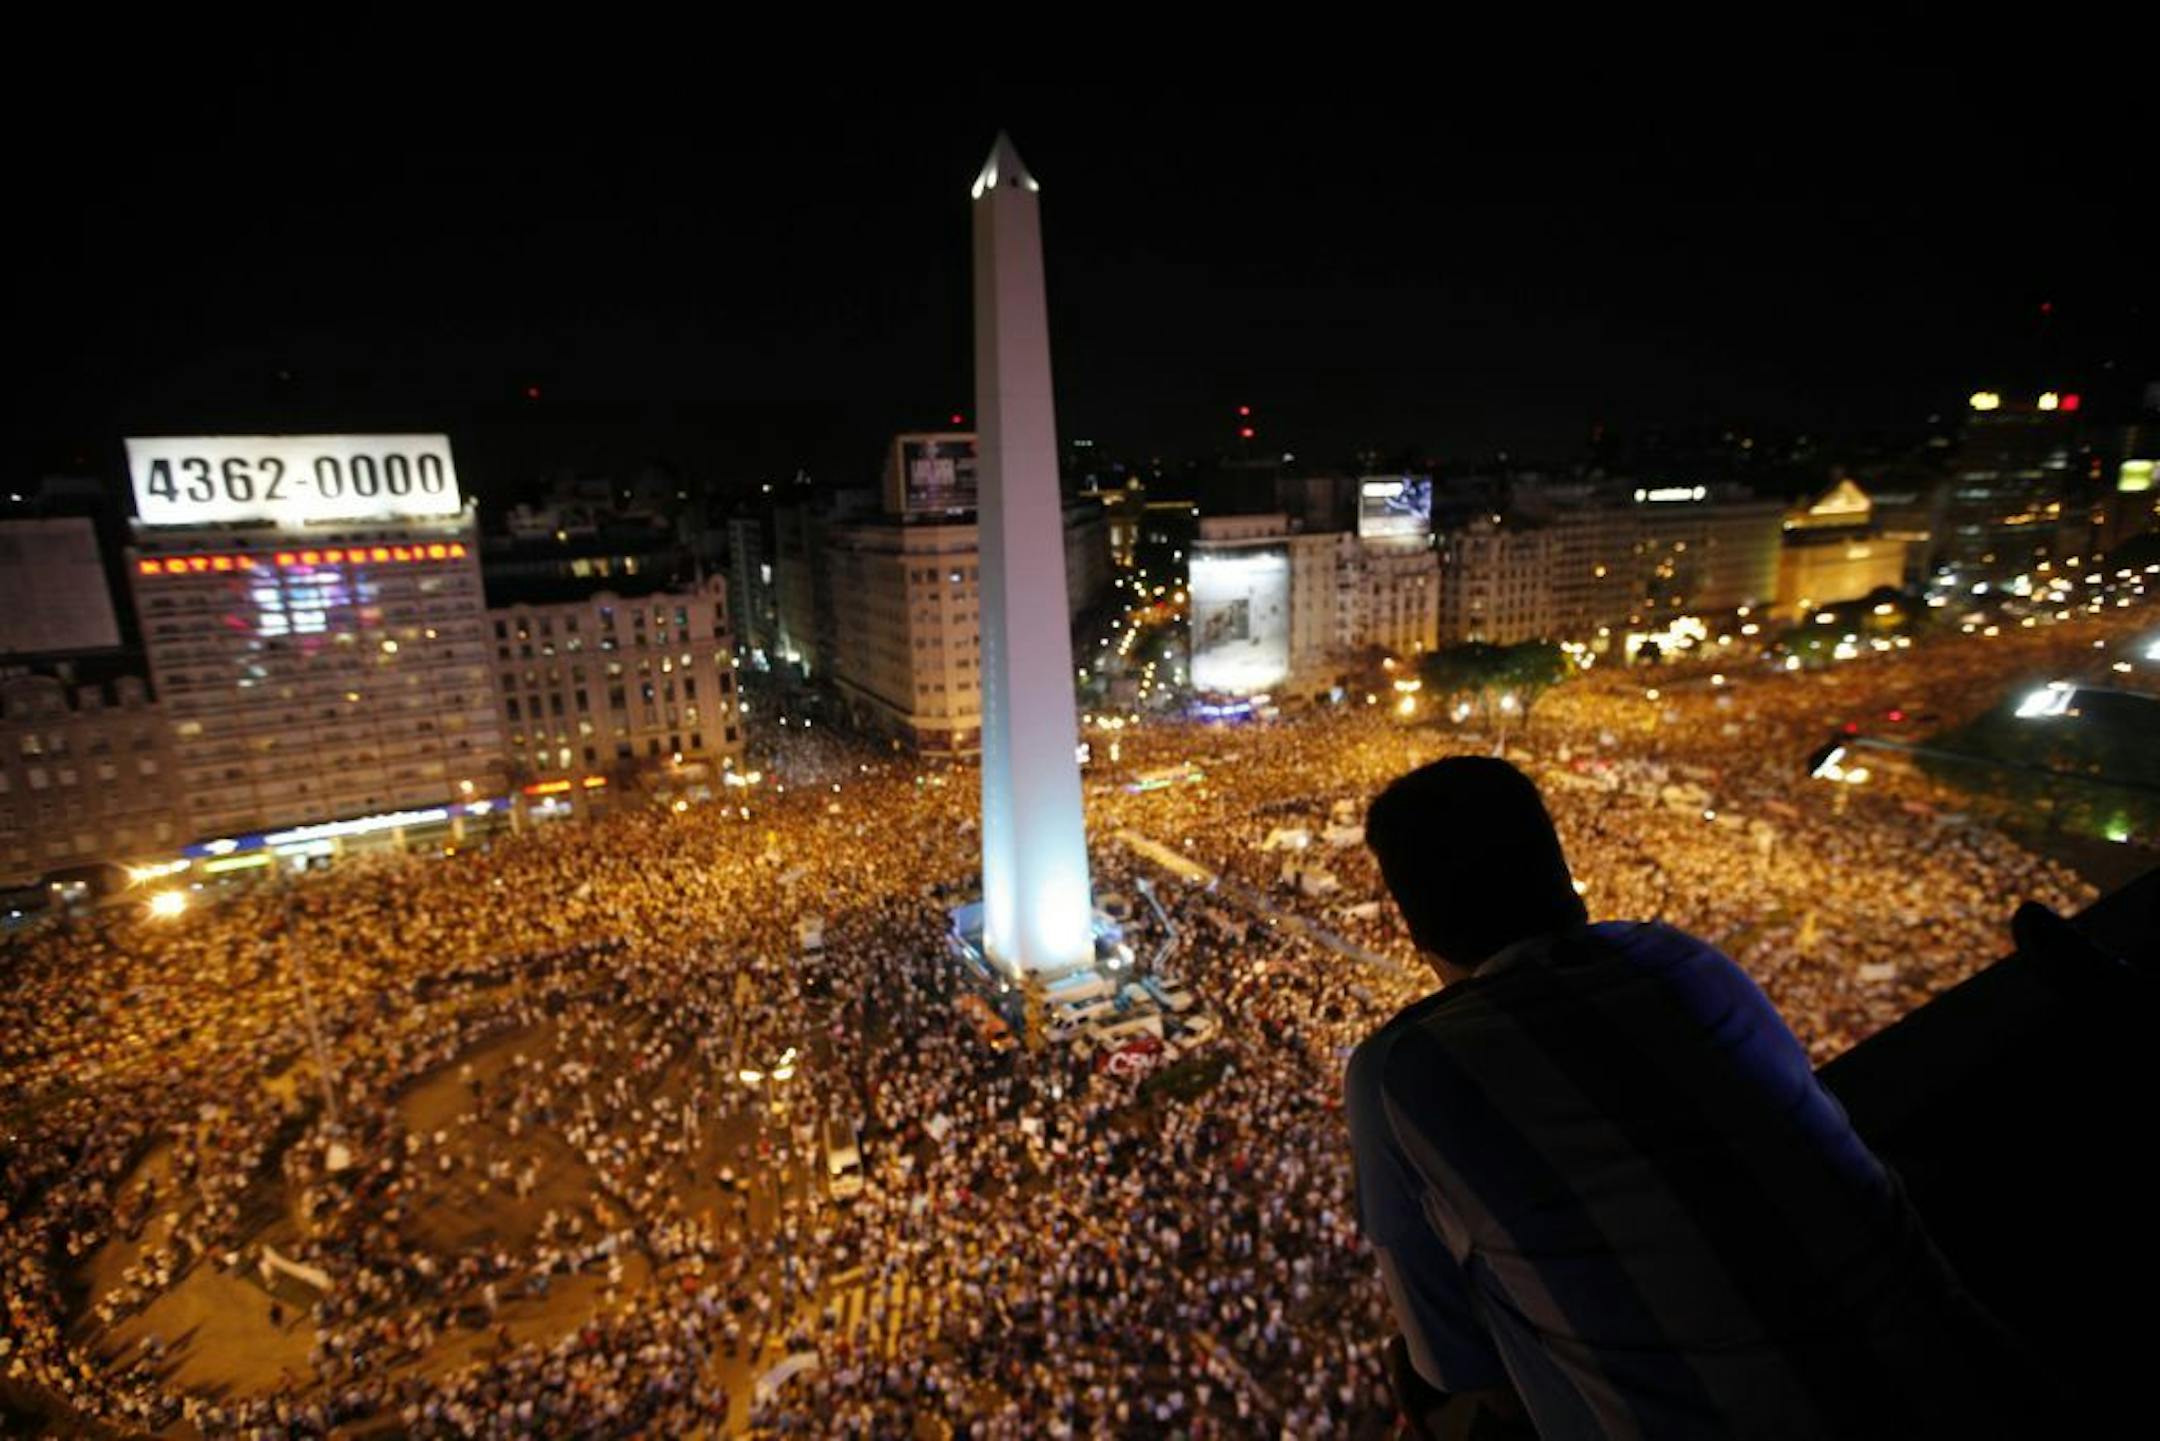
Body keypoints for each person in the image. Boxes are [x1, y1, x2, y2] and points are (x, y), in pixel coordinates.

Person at [1348, 756, 2047, 1439]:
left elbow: (1463, 1372)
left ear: (1415, 928)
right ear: (1563, 875)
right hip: (1989, 1385)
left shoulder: (1405, 1070)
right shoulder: (1690, 963)